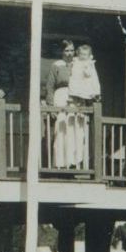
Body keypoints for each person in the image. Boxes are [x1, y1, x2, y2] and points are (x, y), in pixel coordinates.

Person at [65, 44, 101, 168]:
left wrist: (96, 92)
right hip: (75, 89)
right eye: (81, 54)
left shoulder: (89, 64)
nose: (83, 57)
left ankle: (80, 159)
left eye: (85, 55)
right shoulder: (75, 63)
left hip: (84, 91)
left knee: (81, 128)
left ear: (89, 55)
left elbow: (91, 76)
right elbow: (72, 75)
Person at [44, 40, 75, 168]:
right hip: (60, 97)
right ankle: (59, 163)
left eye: (72, 50)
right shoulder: (56, 65)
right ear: (62, 52)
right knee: (60, 130)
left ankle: (71, 164)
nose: (69, 53)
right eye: (66, 50)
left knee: (73, 131)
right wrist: (51, 106)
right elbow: (50, 86)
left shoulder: (78, 64)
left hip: (75, 98)